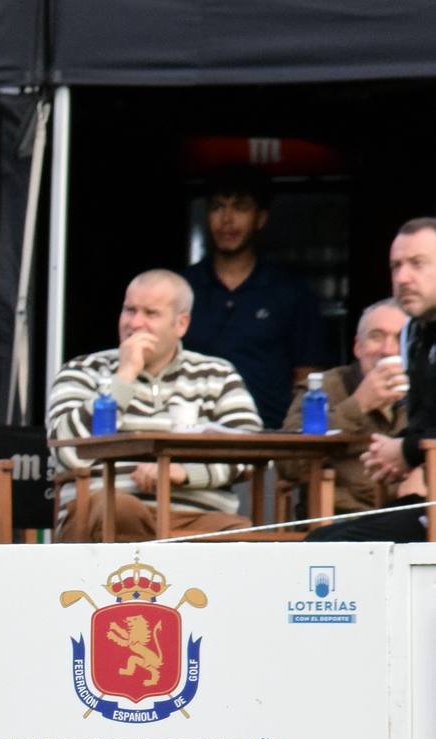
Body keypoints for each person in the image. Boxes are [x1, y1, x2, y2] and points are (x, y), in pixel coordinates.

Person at [48, 268, 263, 541]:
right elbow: (65, 451)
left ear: (181, 324)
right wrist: (124, 377)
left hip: (196, 518)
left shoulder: (218, 375)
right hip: (107, 509)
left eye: (150, 314)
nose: (135, 323)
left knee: (243, 534)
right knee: (120, 509)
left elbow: (250, 450)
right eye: (129, 310)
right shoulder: (82, 370)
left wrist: (183, 471)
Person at [309, 219, 436, 542]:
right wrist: (390, 451)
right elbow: (425, 421)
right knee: (318, 542)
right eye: (396, 266)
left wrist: (406, 449)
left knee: (326, 547)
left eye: (417, 264)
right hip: (428, 502)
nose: (403, 278)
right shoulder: (414, 332)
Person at [180, 164, 326, 428]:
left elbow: (308, 378)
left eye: (240, 207)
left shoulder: (290, 291)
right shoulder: (182, 288)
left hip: (268, 438)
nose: (227, 219)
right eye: (217, 207)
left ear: (261, 218)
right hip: (190, 436)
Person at [276, 297, 409, 514]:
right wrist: (358, 404)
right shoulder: (323, 388)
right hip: (341, 521)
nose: (387, 350)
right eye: (376, 337)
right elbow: (287, 465)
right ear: (358, 347)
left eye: (399, 338)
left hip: (417, 520)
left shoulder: (426, 390)